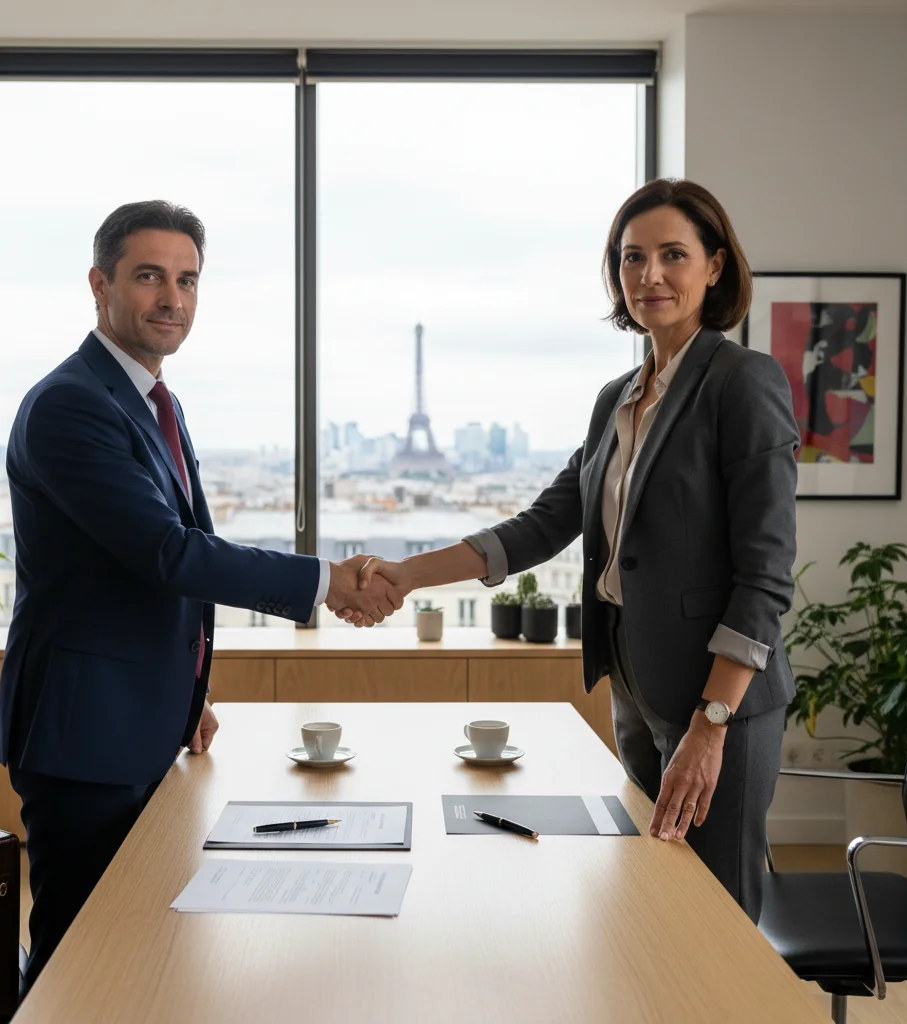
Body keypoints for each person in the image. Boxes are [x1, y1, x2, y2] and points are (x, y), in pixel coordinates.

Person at [331, 178, 799, 922]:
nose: (649, 275)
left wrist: (711, 726)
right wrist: (405, 575)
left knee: (717, 913)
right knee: (649, 894)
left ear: (714, 266)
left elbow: (766, 577)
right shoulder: (618, 395)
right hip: (636, 685)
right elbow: (544, 523)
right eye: (631, 257)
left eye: (672, 255)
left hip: (718, 704)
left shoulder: (741, 382)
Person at [0, 200, 402, 986]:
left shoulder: (156, 400)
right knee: (81, 964)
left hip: (136, 718)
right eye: (149, 276)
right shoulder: (70, 405)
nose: (171, 298)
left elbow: (151, 572)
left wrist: (184, 691)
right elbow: (169, 553)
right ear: (99, 283)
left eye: (186, 279)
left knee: (142, 950)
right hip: (86, 736)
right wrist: (325, 580)